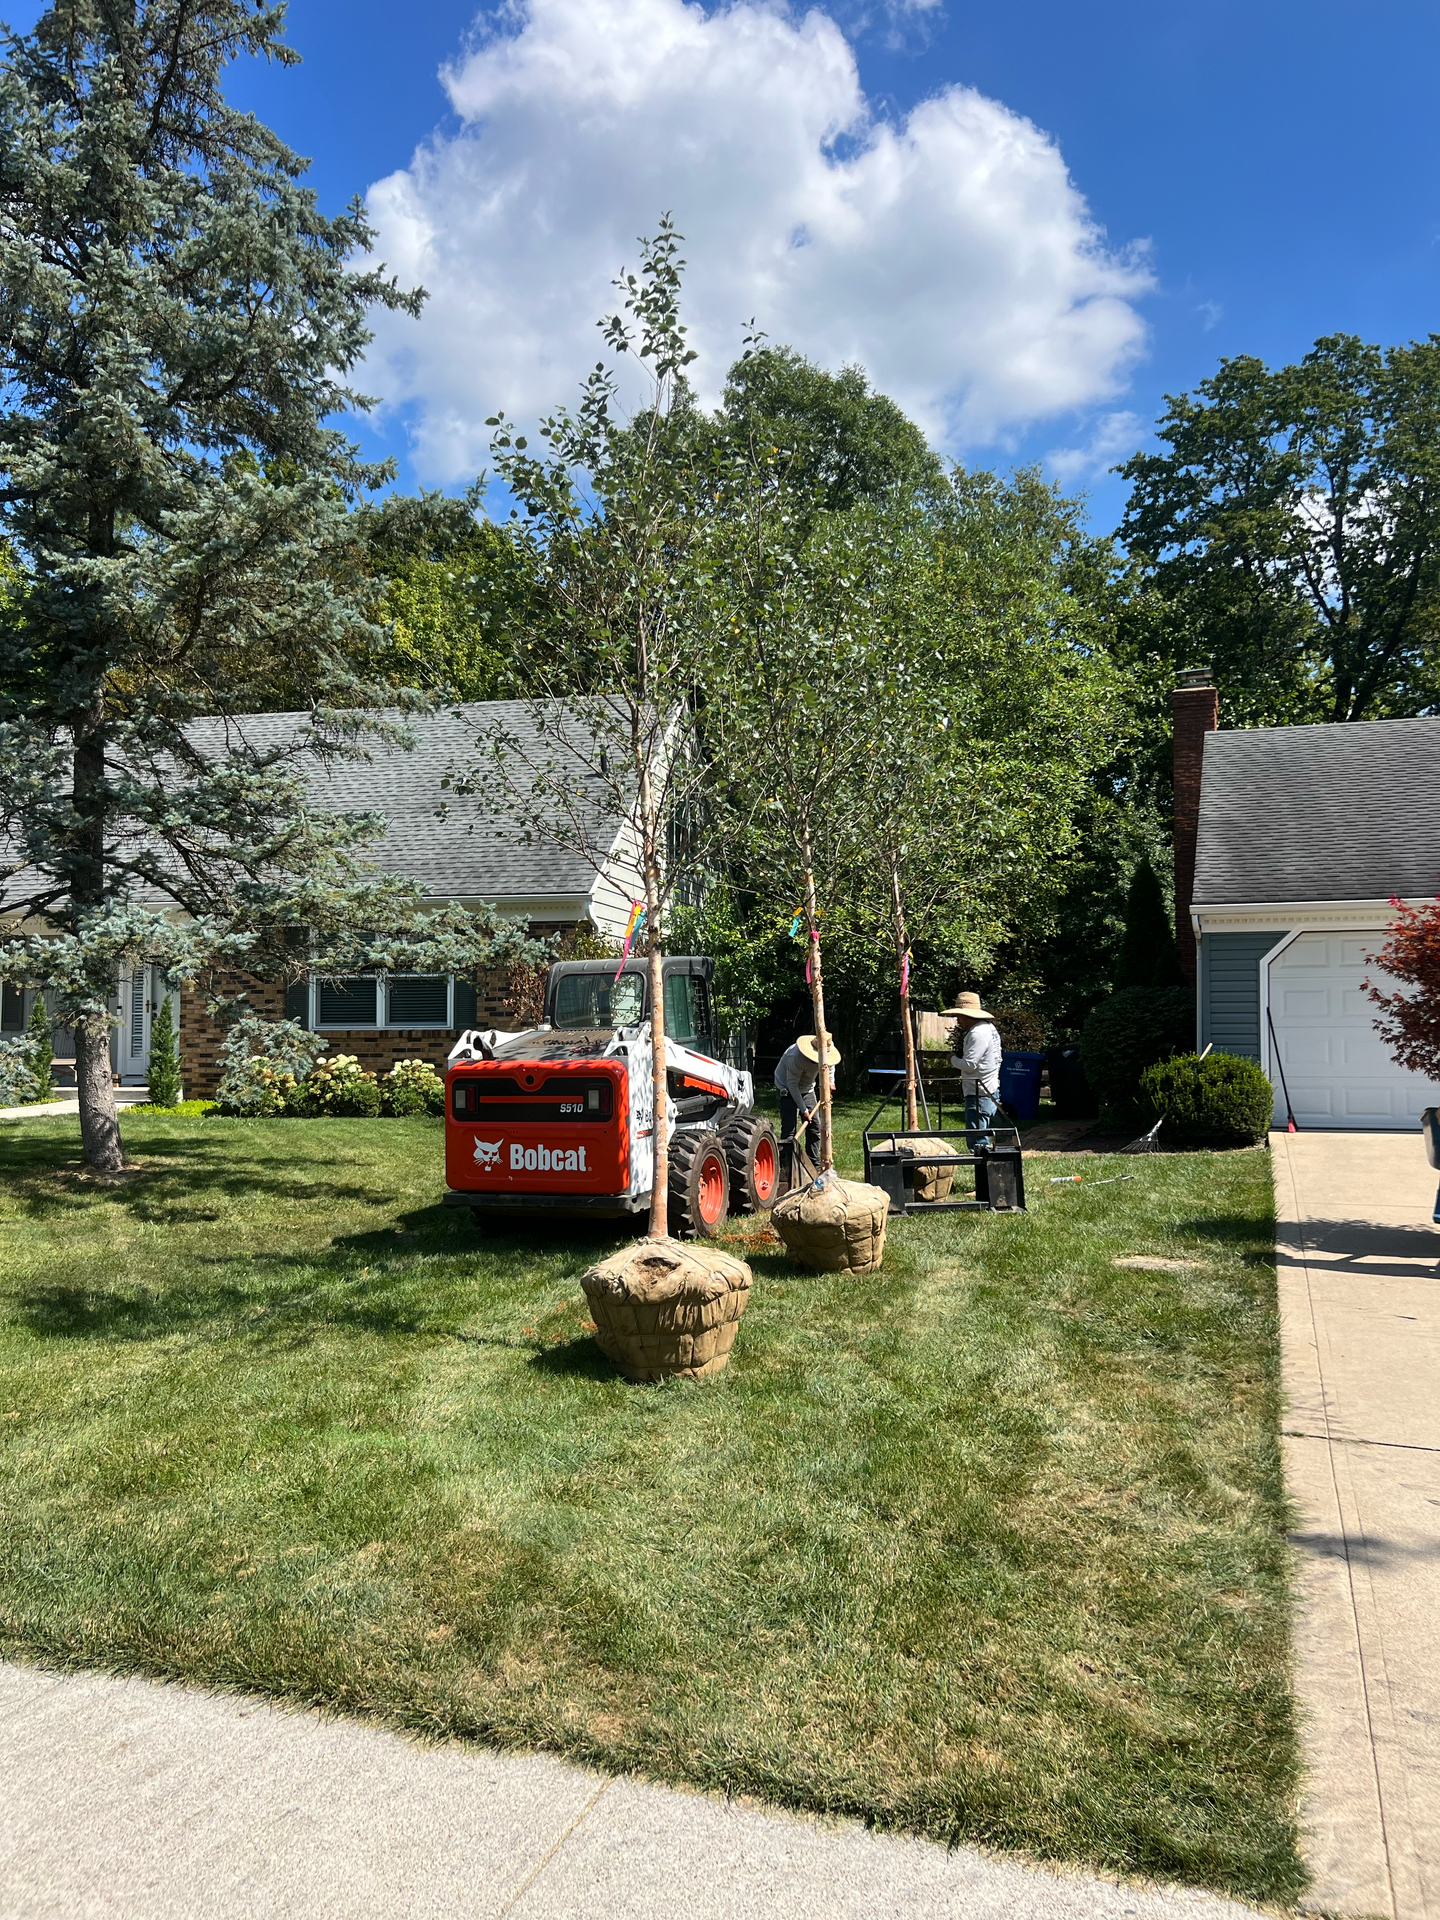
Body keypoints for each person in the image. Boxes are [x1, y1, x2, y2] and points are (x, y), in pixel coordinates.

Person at [774, 1030, 840, 1178]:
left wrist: (831, 1082)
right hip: (786, 1087)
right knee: (790, 1131)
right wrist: (803, 1110)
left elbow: (831, 1065)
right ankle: (786, 1168)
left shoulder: (827, 1046)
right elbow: (792, 1086)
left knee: (815, 1125)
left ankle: (813, 1166)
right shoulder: (795, 1057)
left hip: (807, 1088)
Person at [944, 992, 1001, 1148]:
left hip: (979, 1092)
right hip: (988, 1088)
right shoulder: (989, 1028)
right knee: (981, 1132)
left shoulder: (977, 1033)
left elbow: (970, 1065)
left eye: (959, 1015)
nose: (958, 1019)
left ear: (967, 1015)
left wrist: (952, 1059)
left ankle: (983, 1167)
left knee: (977, 1140)